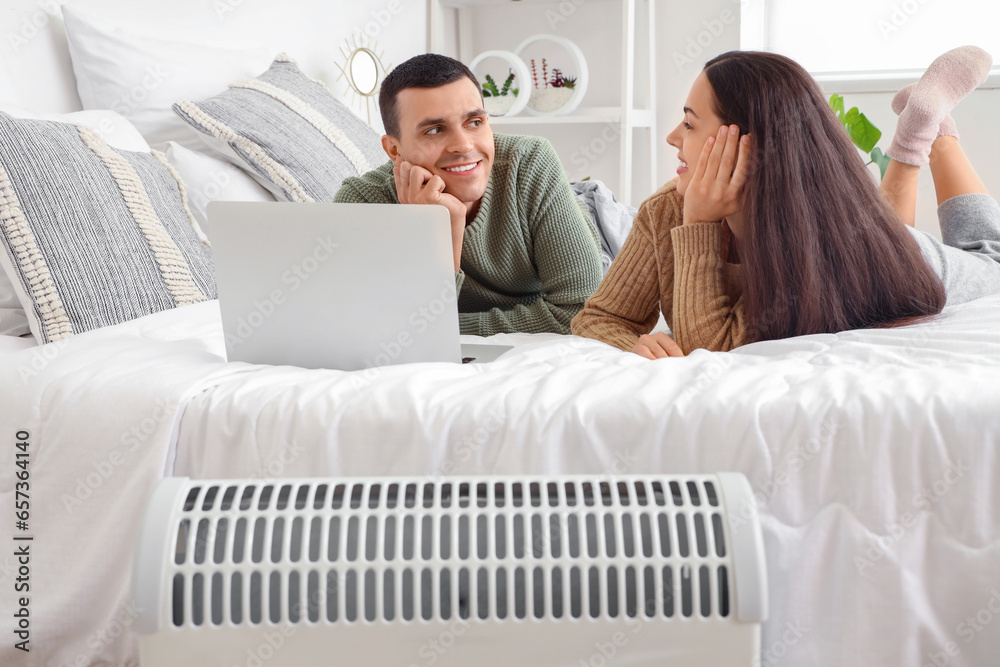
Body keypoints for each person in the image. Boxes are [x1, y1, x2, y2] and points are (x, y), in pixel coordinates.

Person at [572, 47, 1000, 358]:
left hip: (908, 261)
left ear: (745, 145)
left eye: (689, 123)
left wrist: (700, 223)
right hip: (870, 236)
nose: (673, 138)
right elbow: (598, 319)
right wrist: (638, 346)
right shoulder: (664, 210)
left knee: (990, 258)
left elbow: (713, 347)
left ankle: (931, 140)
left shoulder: (804, 234)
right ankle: (916, 135)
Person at [335, 53, 603, 336]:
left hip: (598, 233)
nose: (463, 146)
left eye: (474, 122)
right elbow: (371, 328)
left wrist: (448, 330)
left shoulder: (530, 162)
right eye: (435, 130)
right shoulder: (363, 203)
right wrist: (440, 228)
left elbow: (580, 311)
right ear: (394, 150)